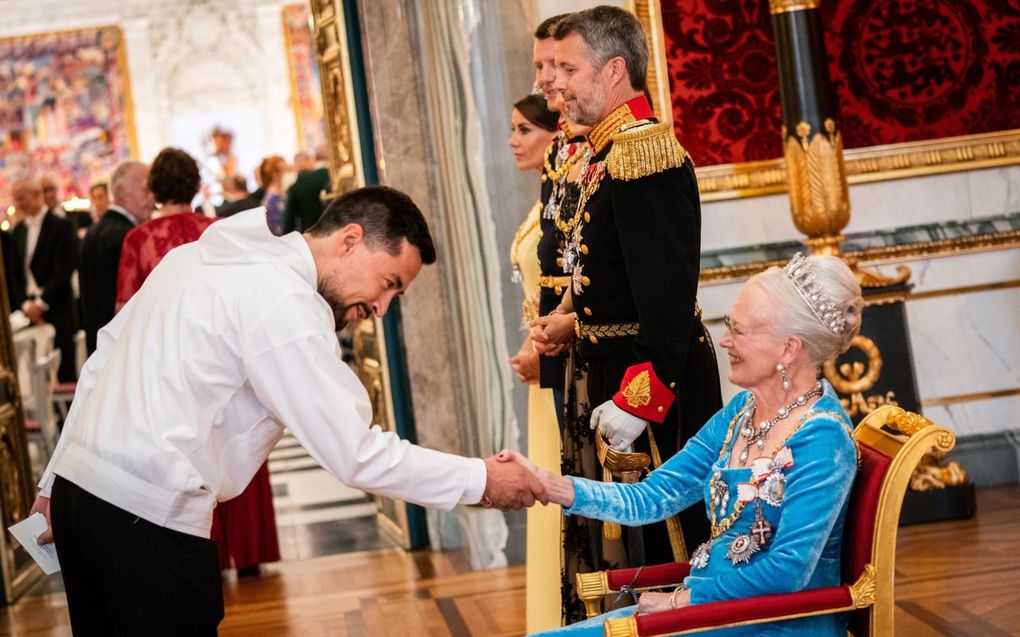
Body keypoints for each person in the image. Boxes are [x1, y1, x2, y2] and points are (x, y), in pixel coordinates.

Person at [30, 186, 547, 636]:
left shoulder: (198, 257)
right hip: (145, 520)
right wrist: (480, 479)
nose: (381, 309)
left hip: (81, 500)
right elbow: (356, 454)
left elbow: (103, 358)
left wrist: (52, 484)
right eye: (389, 283)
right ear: (350, 239)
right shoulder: (284, 300)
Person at [511, 253, 864, 636]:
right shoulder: (742, 412)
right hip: (709, 614)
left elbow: (787, 571)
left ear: (789, 349)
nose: (725, 340)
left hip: (770, 624)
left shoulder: (823, 439)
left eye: (740, 331)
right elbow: (652, 497)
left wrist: (680, 602)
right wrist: (551, 486)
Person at [528, 7, 723, 622]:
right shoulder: (603, 152)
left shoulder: (646, 157)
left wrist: (643, 398)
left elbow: (664, 303)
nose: (556, 83)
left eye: (569, 68)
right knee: (625, 538)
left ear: (614, 70)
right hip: (610, 369)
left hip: (651, 379)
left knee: (670, 529)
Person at [116, 147, 281, 575]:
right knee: (236, 444)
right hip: (226, 358)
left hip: (169, 369)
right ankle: (248, 555)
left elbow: (126, 313)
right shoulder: (220, 229)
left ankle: (201, 555)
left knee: (186, 460)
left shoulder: (138, 241)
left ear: (154, 188)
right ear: (195, 185)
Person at [506, 93, 561, 634]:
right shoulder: (544, 199)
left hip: (557, 360)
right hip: (541, 361)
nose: (513, 140)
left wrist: (538, 348)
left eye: (524, 129)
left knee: (559, 482)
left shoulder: (564, 199)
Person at [79, 161, 154, 354]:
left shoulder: (94, 232)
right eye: (146, 190)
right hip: (123, 348)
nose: (152, 197)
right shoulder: (130, 237)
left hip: (99, 346)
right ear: (121, 192)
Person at [9, 177, 78, 381]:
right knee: (34, 377)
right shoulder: (18, 232)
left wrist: (41, 303)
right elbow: (14, 274)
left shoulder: (61, 226)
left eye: (22, 198)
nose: (19, 204)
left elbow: (63, 269)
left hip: (58, 310)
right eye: (16, 199)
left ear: (37, 195)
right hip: (29, 315)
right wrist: (26, 304)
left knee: (64, 372)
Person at [282, 145, 331, 233]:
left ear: (313, 159)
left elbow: (288, 225)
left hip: (311, 237)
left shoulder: (297, 185)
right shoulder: (337, 176)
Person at [258, 155, 288, 235]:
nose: (288, 174)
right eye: (285, 170)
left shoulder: (281, 194)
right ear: (274, 174)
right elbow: (278, 230)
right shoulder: (272, 199)